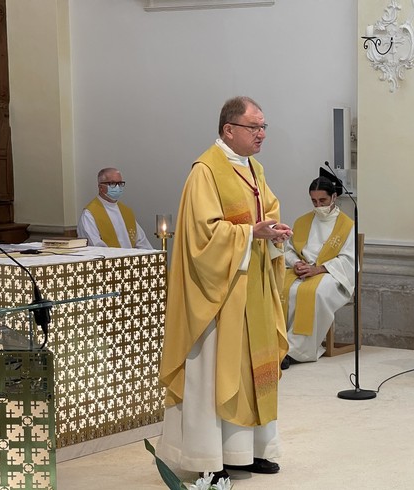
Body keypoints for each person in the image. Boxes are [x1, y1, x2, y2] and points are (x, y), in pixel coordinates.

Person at [156, 96, 293, 484]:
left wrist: (274, 230)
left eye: (265, 126)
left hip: (253, 287)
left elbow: (267, 210)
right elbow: (204, 234)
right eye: (255, 127)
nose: (262, 134)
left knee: (254, 371)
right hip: (219, 294)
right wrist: (252, 233)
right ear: (229, 129)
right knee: (216, 373)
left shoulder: (253, 168)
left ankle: (248, 451)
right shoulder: (205, 171)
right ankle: (210, 458)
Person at [280, 174, 355, 369]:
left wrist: (319, 269)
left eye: (322, 200)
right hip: (303, 270)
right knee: (280, 287)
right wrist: (296, 263)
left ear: (334, 198)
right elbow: (289, 250)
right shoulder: (303, 221)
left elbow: (349, 260)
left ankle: (296, 351)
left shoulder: (347, 226)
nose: (318, 205)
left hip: (331, 274)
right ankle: (276, 344)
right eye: (314, 201)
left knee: (314, 292)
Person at [77, 168, 154, 249]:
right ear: (100, 187)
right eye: (112, 183)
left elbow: (141, 242)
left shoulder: (126, 211)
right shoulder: (89, 214)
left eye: (120, 183)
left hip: (131, 260)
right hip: (110, 260)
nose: (117, 187)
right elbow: (95, 246)